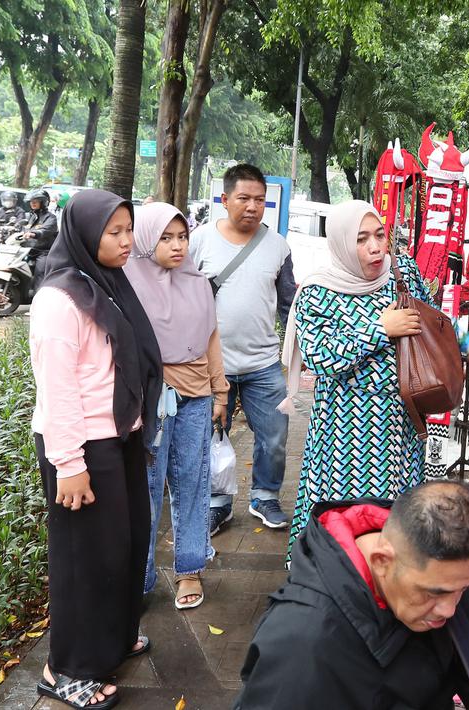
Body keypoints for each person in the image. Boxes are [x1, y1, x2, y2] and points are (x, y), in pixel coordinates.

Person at [279, 200, 469, 555]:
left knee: (396, 524)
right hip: (346, 433)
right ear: (342, 244)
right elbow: (319, 358)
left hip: (401, 424)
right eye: (362, 239)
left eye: (380, 235)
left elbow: (434, 320)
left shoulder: (401, 272)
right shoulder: (318, 291)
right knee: (345, 522)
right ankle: (337, 589)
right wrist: (380, 328)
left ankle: (390, 592)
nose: (375, 247)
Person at [30, 190, 164, 709]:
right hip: (80, 447)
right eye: (115, 232)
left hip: (119, 437)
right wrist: (69, 465)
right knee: (83, 558)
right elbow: (58, 389)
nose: (128, 241)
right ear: (87, 235)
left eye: (129, 230)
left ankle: (110, 640)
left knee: (123, 547)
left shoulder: (105, 284)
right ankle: (64, 668)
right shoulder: (60, 300)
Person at [235, 482, 469, 709]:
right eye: (434, 593)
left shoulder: (443, 572)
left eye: (464, 590)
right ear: (381, 561)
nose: (450, 610)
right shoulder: (303, 645)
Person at [124, 202, 229, 611]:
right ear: (147, 239)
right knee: (147, 490)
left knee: (193, 482)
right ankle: (143, 578)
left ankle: (189, 568)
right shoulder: (127, 283)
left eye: (182, 236)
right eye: (166, 237)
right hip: (151, 402)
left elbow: (212, 339)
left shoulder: (198, 283)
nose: (177, 245)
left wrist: (220, 393)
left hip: (195, 397)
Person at [190, 164, 296, 534]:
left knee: (276, 436)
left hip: (263, 364)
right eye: (244, 198)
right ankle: (218, 503)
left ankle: (264, 495)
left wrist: (301, 354)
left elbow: (288, 306)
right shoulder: (199, 241)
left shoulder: (278, 247)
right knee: (211, 439)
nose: (252, 206)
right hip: (210, 367)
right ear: (225, 200)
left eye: (260, 200)